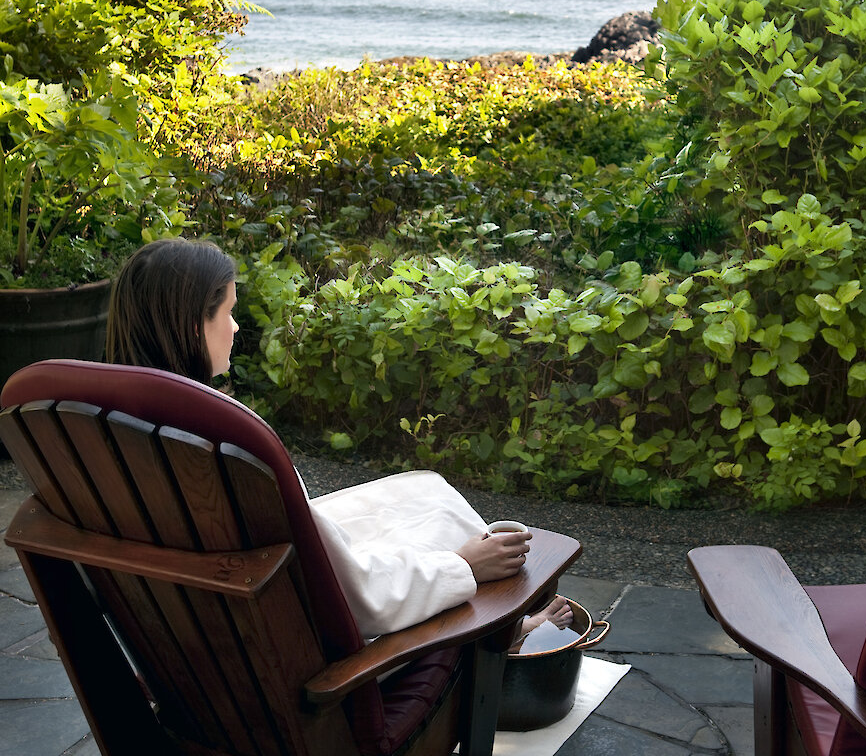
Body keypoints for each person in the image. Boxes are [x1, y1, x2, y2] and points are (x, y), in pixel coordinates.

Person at [107, 238, 571, 638]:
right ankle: (496, 635)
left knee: (424, 492)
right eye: (227, 313)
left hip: (200, 642)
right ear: (192, 327)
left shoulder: (105, 430)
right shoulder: (227, 445)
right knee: (453, 531)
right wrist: (463, 567)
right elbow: (357, 598)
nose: (235, 327)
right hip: (311, 661)